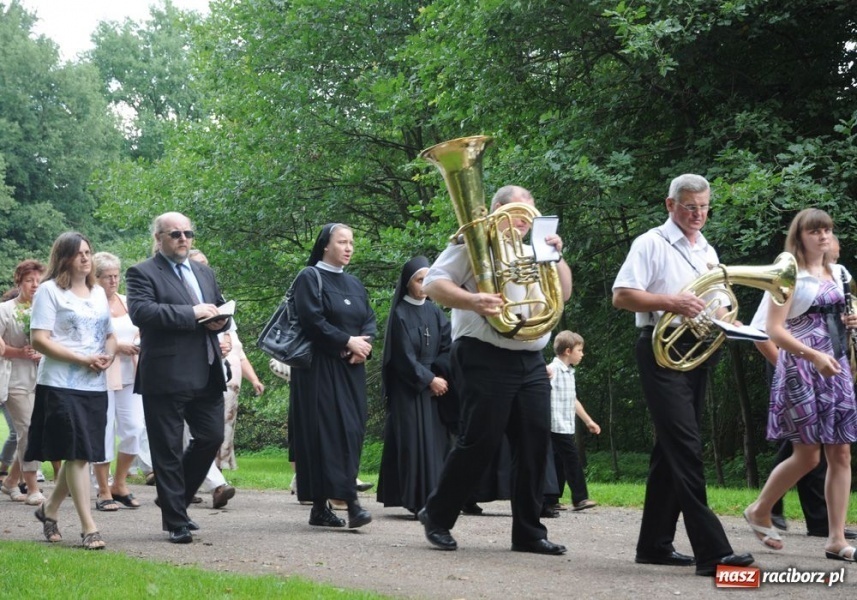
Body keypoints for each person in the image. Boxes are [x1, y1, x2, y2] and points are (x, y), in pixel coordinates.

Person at [417, 184, 572, 554]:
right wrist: (472, 299)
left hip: (530, 355)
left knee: (535, 445)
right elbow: (433, 283)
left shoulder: (536, 247)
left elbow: (563, 293)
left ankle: (529, 533)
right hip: (483, 352)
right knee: (480, 441)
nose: (523, 221)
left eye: (529, 214)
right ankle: (437, 516)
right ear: (497, 210)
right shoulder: (472, 242)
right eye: (517, 213)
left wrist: (557, 255)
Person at [612, 173, 754, 576]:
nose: (699, 214)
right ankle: (713, 552)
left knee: (669, 450)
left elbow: (716, 303)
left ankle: (654, 545)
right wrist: (671, 301)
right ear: (670, 204)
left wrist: (733, 323)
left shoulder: (707, 249)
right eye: (690, 206)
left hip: (695, 354)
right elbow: (621, 295)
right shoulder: (650, 243)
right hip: (660, 350)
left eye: (705, 206)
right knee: (687, 446)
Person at [743, 208, 857, 562]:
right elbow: (771, 330)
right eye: (814, 231)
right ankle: (760, 509)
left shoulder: (838, 273)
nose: (822, 236)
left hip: (836, 368)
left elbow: (842, 320)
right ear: (800, 236)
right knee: (807, 456)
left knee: (840, 453)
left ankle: (835, 539)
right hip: (803, 369)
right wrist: (811, 357)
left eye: (827, 230)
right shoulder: (787, 276)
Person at [126, 212, 230, 544]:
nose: (183, 238)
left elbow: (220, 308)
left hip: (207, 369)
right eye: (175, 234)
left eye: (188, 233)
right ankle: (175, 521)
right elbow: (142, 312)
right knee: (167, 448)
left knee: (212, 437)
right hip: (166, 373)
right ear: (158, 238)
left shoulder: (203, 271)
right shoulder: (142, 272)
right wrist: (192, 313)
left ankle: (175, 501)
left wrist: (220, 322)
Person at [27, 232, 116, 549]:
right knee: (77, 453)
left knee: (84, 453)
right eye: (78, 253)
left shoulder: (97, 293)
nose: (85, 258)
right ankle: (89, 527)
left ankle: (48, 510)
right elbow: (39, 339)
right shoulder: (50, 292)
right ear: (63, 257)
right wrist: (82, 358)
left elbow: (109, 334)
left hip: (94, 384)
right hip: (60, 383)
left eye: (88, 252)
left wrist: (109, 354)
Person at [290, 223, 376, 529]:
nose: (349, 248)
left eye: (352, 242)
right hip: (319, 369)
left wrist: (362, 346)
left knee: (351, 430)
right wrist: (345, 341)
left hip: (351, 368)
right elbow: (311, 320)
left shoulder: (354, 283)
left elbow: (368, 318)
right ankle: (349, 503)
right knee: (326, 432)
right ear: (326, 245)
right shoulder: (309, 277)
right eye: (342, 242)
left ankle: (321, 508)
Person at [376, 256, 452, 515]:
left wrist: (439, 376)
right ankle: (413, 499)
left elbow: (447, 347)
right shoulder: (399, 315)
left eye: (428, 279)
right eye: (420, 280)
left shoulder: (435, 312)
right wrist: (429, 379)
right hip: (408, 388)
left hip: (434, 388)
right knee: (412, 443)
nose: (425, 284)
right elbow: (401, 357)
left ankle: (434, 498)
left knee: (435, 444)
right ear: (408, 284)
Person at [90, 252, 146, 512]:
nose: (113, 281)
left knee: (134, 428)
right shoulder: (90, 303)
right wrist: (116, 346)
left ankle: (120, 483)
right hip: (101, 375)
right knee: (103, 432)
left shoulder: (127, 301)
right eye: (107, 277)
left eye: (116, 276)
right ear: (96, 277)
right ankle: (102, 489)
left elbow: (141, 328)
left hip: (131, 374)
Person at [0, 262, 46, 505]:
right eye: (29, 280)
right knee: (27, 428)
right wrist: (21, 352)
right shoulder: (5, 310)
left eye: (39, 280)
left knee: (33, 432)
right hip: (13, 378)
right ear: (19, 282)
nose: (35, 284)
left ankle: (9, 482)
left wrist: (44, 352)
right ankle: (32, 488)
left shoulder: (45, 309)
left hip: (41, 378)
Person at [542, 331, 600, 516]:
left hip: (564, 425)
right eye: (580, 350)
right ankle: (580, 498)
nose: (582, 354)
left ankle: (552, 499)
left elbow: (573, 400)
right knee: (572, 459)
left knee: (558, 462)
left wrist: (589, 421)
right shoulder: (553, 370)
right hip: (553, 424)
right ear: (568, 351)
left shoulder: (569, 373)